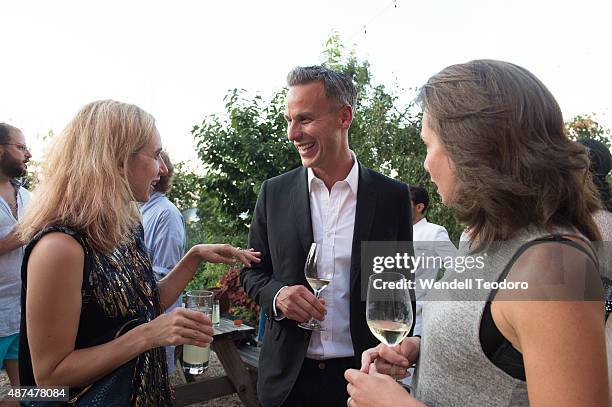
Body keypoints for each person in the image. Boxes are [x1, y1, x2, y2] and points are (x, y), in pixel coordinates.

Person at [345, 60, 608, 407]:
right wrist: (423, 347)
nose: (426, 164)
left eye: (428, 145)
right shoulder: (488, 238)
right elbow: (500, 343)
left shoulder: (554, 266)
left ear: (470, 147)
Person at [16, 100, 260, 406]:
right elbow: (50, 375)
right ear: (117, 160)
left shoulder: (126, 227)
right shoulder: (60, 247)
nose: (164, 168)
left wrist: (194, 256)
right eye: (156, 154)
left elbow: (146, 304)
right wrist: (148, 335)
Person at [240, 65, 413, 407]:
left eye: (304, 119)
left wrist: (397, 348)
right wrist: (278, 296)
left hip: (361, 378)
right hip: (288, 381)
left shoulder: (392, 197)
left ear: (344, 117)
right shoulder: (273, 193)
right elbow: (251, 271)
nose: (292, 134)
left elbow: (399, 287)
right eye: (289, 120)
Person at [140, 150, 185, 374]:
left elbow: (166, 272)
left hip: (157, 319)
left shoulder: (166, 214)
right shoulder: (137, 210)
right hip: (138, 325)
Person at [0, 123, 31, 401]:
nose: (28, 153)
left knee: (33, 395)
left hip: (21, 315)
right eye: (20, 147)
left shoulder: (27, 197)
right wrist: (28, 230)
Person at [407, 184, 457, 336]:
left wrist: (435, 295)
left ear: (419, 206)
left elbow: (457, 266)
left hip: (419, 319)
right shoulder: (393, 232)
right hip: (390, 316)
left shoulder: (434, 232)